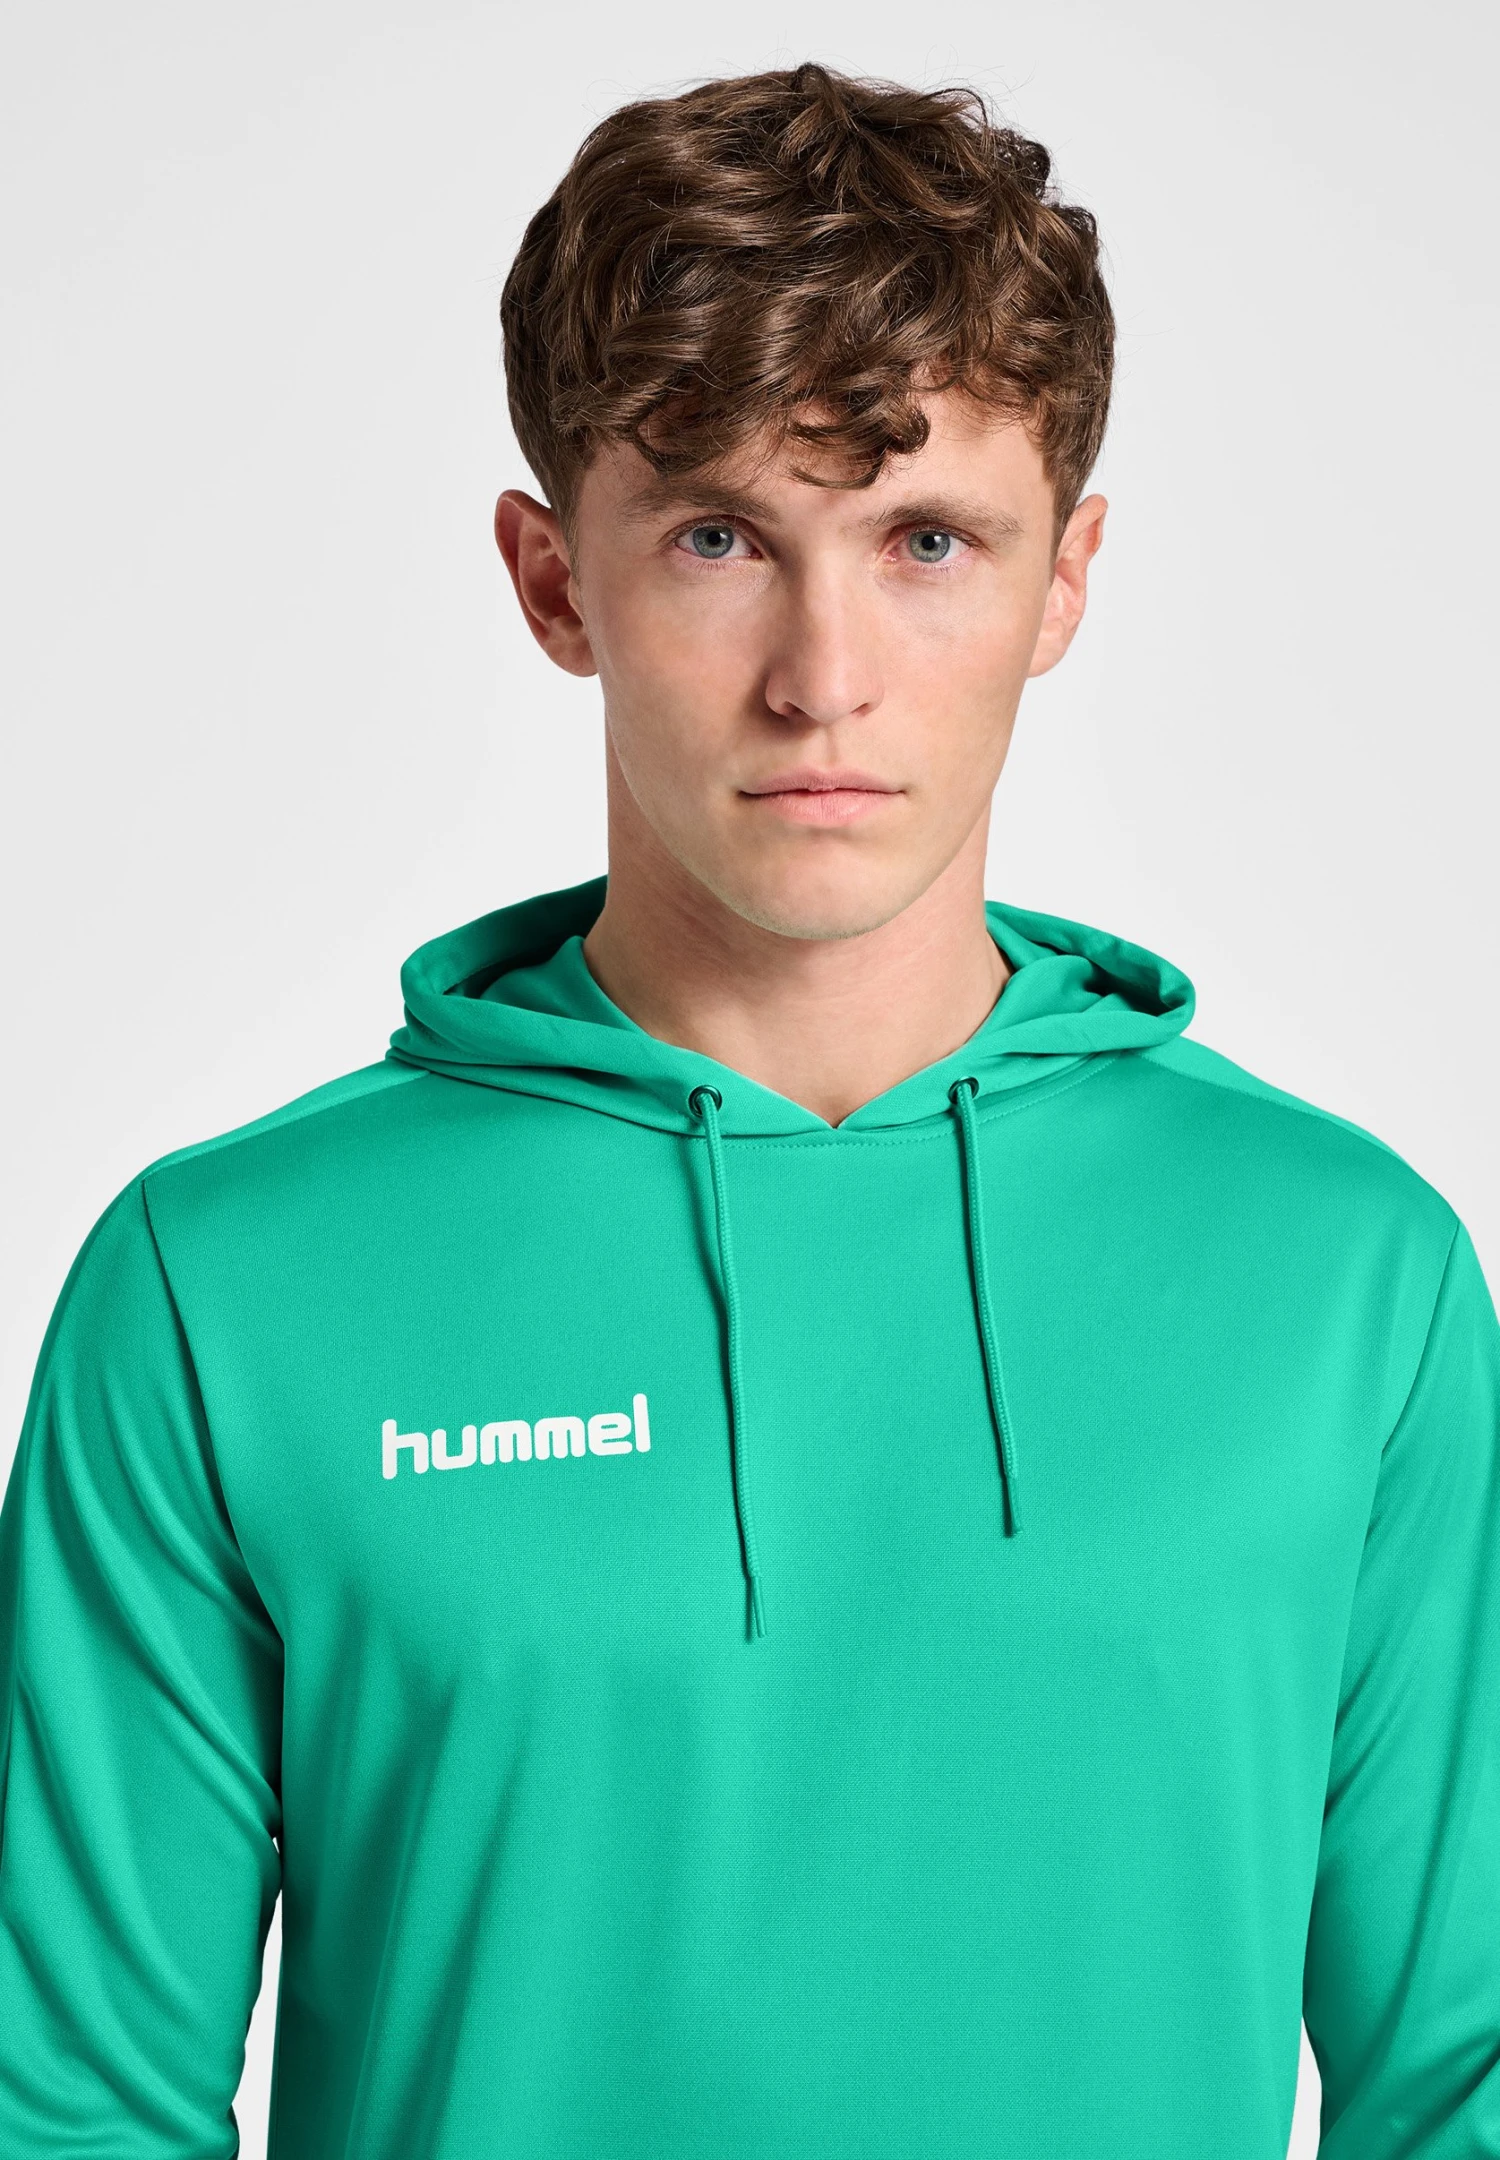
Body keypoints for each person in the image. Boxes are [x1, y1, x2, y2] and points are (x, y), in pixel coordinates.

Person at [0, 60, 1495, 2160]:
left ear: (1064, 581)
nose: (823, 674)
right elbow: (67, 2113)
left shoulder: (1349, 1277)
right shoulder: (218, 1291)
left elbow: (1463, 2083)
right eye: (719, 537)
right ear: (555, 582)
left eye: (927, 543)